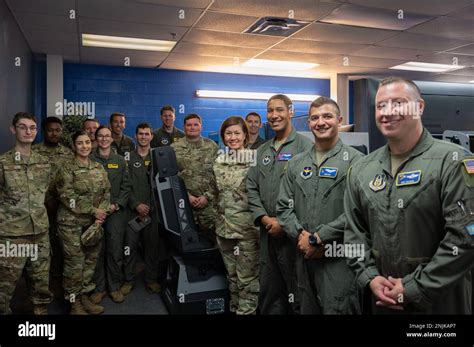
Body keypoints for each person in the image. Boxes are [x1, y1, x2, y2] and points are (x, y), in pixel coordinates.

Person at [344, 76, 474, 314]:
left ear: (420, 107)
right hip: (383, 300)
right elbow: (353, 235)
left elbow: (466, 237)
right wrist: (369, 277)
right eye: (381, 105)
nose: (388, 112)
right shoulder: (362, 169)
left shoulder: (453, 161)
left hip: (441, 303)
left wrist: (413, 287)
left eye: (398, 103)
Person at [277, 97, 363, 314]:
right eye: (314, 118)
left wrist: (320, 237)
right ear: (308, 123)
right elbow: (283, 207)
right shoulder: (296, 163)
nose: (320, 122)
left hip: (338, 259)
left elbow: (358, 210)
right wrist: (302, 238)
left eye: (327, 116)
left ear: (339, 120)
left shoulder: (358, 162)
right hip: (303, 257)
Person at [247, 94, 313, 314]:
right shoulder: (261, 151)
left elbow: (309, 193)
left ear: (290, 111)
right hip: (267, 234)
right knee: (269, 289)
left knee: (297, 290)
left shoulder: (306, 147)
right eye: (270, 111)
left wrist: (284, 224)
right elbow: (251, 187)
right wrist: (265, 219)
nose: (274, 115)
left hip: (294, 235)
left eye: (279, 110)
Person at [0, 112, 53, 315]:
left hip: (39, 231)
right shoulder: (3, 163)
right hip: (12, 236)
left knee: (40, 282)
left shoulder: (44, 162)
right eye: (22, 127)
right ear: (13, 130)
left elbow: (46, 193)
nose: (28, 131)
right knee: (5, 286)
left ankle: (40, 315)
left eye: (32, 127)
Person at [56, 131, 111, 314]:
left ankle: (84, 297)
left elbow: (106, 192)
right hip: (71, 224)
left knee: (90, 262)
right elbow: (67, 197)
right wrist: (94, 210)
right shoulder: (66, 168)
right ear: (74, 146)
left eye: (87, 142)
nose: (85, 146)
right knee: (74, 264)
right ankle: (74, 303)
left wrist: (101, 213)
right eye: (80, 143)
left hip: (93, 225)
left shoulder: (98, 167)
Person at [213, 116, 259, 314]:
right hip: (224, 230)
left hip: (246, 232)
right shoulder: (219, 161)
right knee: (231, 277)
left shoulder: (255, 160)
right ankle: (235, 310)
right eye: (228, 133)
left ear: (245, 135)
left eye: (237, 133)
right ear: (223, 136)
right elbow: (216, 194)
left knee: (247, 281)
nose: (232, 137)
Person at [90, 126, 131, 304]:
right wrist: (94, 209)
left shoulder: (120, 161)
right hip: (95, 213)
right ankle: (99, 288)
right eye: (101, 136)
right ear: (96, 138)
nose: (104, 139)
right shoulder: (89, 159)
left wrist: (117, 205)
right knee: (97, 250)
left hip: (116, 212)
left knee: (115, 250)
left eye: (107, 136)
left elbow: (126, 186)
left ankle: (114, 286)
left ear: (111, 139)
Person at [33, 116, 73, 297]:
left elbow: (72, 180)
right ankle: (38, 287)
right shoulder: (34, 152)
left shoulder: (68, 153)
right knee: (40, 249)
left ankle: (57, 281)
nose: (54, 133)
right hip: (38, 210)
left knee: (59, 246)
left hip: (62, 208)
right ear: (43, 131)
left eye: (57, 130)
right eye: (50, 130)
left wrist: (58, 201)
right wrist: (45, 200)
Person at [122, 123, 161, 295]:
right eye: (140, 134)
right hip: (133, 211)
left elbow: (162, 185)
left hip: (153, 212)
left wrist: (151, 206)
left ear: (152, 136)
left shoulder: (158, 157)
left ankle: (151, 279)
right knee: (129, 247)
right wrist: (136, 204)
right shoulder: (128, 158)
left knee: (152, 247)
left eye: (147, 134)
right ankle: (128, 280)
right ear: (136, 136)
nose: (144, 137)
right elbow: (124, 185)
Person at [171, 113, 219, 242]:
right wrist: (186, 196)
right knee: (187, 242)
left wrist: (207, 196)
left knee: (212, 242)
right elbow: (171, 176)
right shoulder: (174, 148)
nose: (192, 127)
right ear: (184, 127)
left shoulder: (212, 147)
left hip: (209, 206)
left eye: (195, 124)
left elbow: (219, 175)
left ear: (201, 127)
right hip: (184, 204)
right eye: (189, 125)